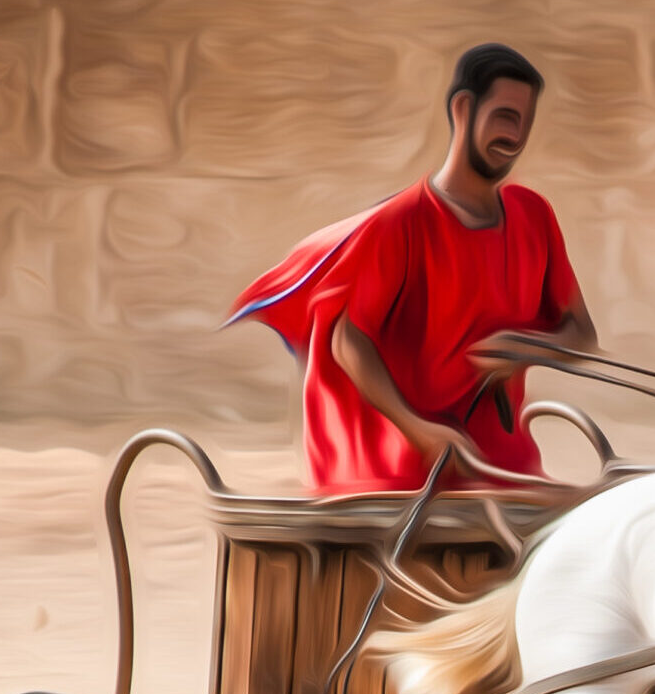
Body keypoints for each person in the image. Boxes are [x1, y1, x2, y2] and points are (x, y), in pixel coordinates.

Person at [230, 43, 597, 494]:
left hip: (503, 468)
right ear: (463, 110)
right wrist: (420, 431)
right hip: (409, 477)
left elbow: (580, 335)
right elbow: (347, 342)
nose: (516, 136)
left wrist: (533, 348)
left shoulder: (534, 215)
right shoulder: (400, 224)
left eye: (525, 121)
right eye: (505, 116)